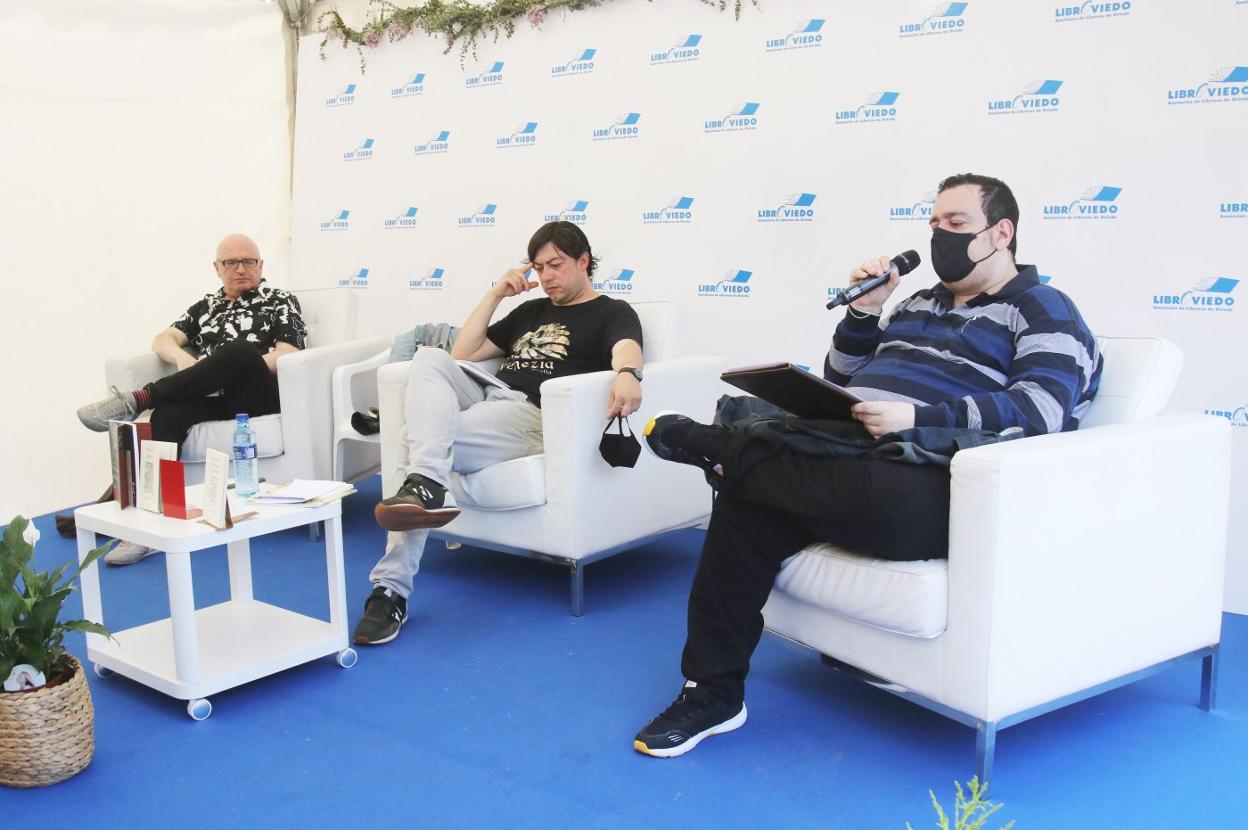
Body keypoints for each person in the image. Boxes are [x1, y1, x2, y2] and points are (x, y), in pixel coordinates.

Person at [633, 173, 1103, 758]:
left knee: (758, 473)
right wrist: (865, 314)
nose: (940, 237)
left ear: (1001, 233)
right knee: (747, 503)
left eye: (956, 225)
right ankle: (713, 694)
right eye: (933, 226)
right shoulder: (916, 303)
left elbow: (1042, 411)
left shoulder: (1043, 308)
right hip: (841, 458)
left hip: (923, 483)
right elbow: (841, 381)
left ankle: (723, 449)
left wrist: (920, 416)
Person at [354, 221, 645, 646]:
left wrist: (627, 374)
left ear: (584, 262)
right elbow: (463, 354)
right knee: (431, 358)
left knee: (414, 447)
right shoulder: (532, 310)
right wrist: (494, 295)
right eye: (539, 267)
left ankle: (390, 590)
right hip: (491, 392)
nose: (546, 277)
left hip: (533, 414)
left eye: (556, 265)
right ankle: (428, 482)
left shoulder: (612, 311)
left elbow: (626, 348)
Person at [76, 233, 306, 564]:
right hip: (215, 398)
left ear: (261, 265)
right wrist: (184, 360)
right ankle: (151, 525)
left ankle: (138, 398)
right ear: (217, 268)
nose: (240, 268)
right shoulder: (205, 307)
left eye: (249, 261)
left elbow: (287, 353)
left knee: (239, 352)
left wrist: (231, 364)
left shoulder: (278, 300)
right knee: (167, 414)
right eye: (231, 262)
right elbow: (163, 339)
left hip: (259, 396)